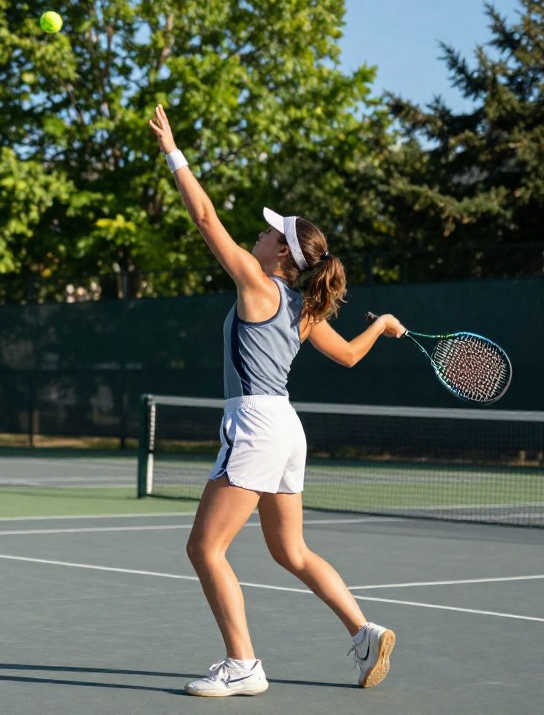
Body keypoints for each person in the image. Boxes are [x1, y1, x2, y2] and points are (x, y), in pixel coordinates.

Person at [148, 104, 407, 696]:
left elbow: (205, 217)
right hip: (288, 429)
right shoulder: (302, 308)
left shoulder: (258, 284)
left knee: (204, 548)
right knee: (290, 550)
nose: (260, 233)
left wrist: (173, 153)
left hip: (258, 425)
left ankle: (243, 666)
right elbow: (347, 357)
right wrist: (382, 324)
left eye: (269, 232)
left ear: (282, 255)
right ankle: (364, 632)